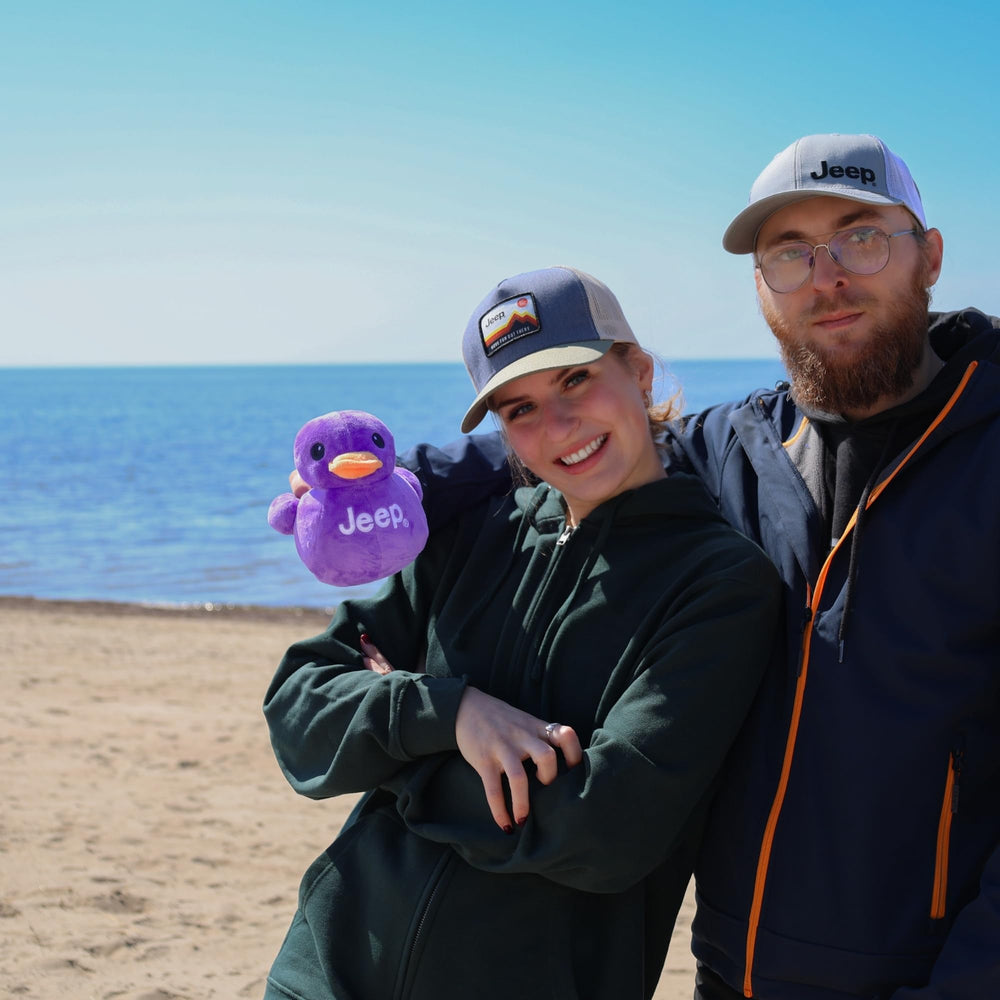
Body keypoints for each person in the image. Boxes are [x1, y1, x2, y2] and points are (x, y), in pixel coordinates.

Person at [399, 135, 1000, 999]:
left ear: (930, 256)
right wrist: (397, 489)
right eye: (788, 254)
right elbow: (566, 441)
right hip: (728, 968)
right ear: (761, 290)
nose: (826, 275)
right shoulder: (729, 450)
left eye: (861, 236)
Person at [261, 266, 781, 1000]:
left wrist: (400, 753)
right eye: (520, 409)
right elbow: (297, 712)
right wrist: (451, 712)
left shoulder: (721, 585)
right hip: (325, 973)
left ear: (637, 369)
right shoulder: (473, 533)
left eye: (575, 380)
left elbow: (605, 828)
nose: (557, 426)